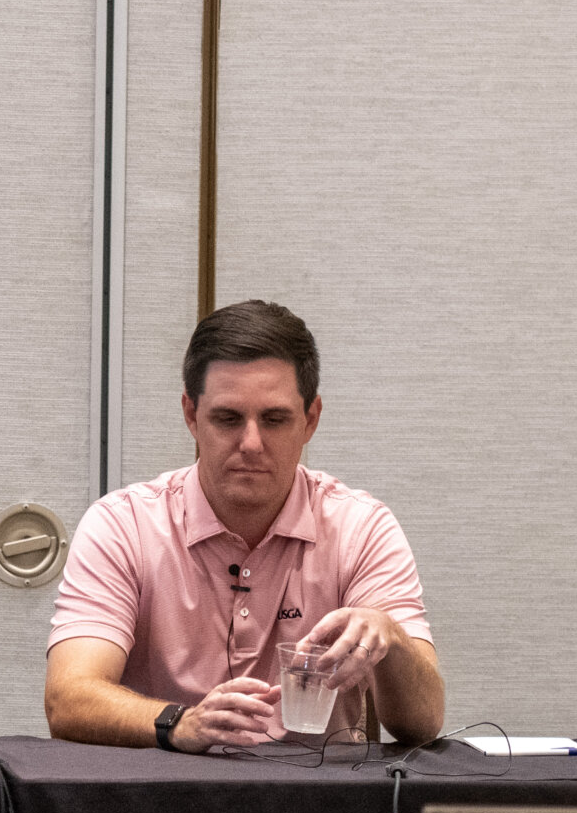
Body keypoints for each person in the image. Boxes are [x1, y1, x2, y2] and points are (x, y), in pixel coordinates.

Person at [45, 301, 445, 751]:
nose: (251, 443)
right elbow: (68, 699)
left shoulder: (360, 528)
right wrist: (182, 724)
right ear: (191, 415)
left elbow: (423, 724)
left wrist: (391, 638)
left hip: (321, 790)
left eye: (274, 420)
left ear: (310, 420)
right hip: (162, 787)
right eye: (228, 419)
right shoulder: (123, 525)